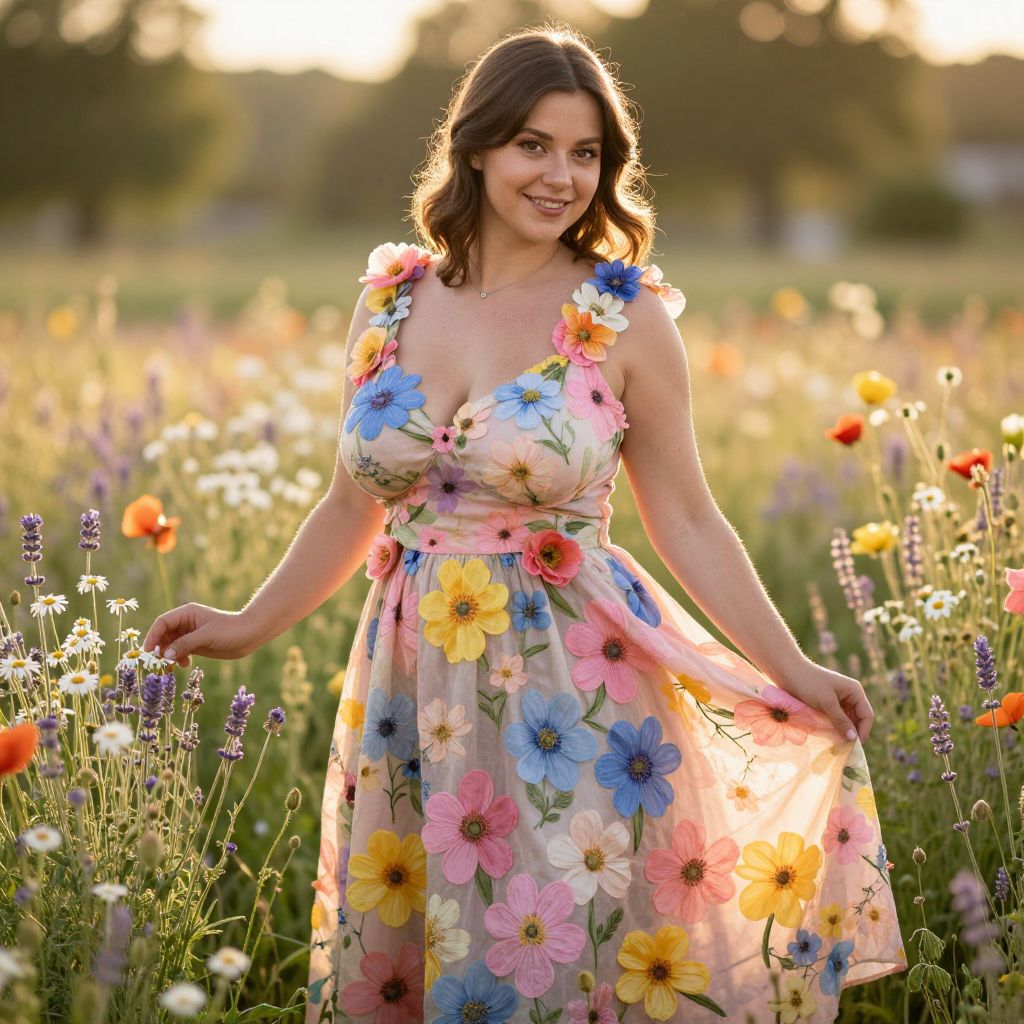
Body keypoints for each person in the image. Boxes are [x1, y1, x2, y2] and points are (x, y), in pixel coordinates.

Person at [144, 24, 906, 1024]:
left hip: (570, 688)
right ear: (476, 146)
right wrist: (248, 621)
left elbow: (685, 514)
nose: (561, 176)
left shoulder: (626, 317)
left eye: (586, 153)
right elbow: (349, 503)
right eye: (533, 145)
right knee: (423, 957)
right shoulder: (390, 303)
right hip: (409, 687)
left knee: (552, 953)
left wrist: (792, 668)